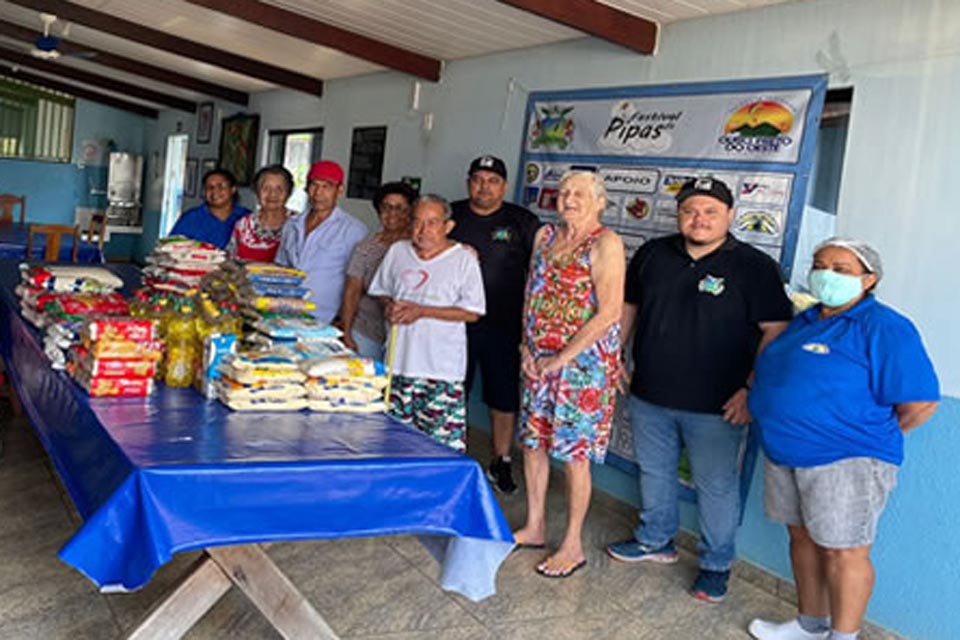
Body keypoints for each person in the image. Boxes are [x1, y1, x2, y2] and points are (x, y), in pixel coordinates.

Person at [605, 177, 793, 603]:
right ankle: (655, 540)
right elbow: (629, 306)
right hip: (650, 391)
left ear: (729, 215)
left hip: (719, 404)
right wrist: (613, 356)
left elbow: (775, 329)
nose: (699, 219)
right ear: (679, 214)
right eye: (690, 210)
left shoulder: (753, 265)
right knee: (654, 472)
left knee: (716, 486)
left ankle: (715, 564)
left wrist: (750, 389)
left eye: (710, 211)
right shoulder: (654, 253)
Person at [746, 238, 939, 640]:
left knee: (844, 549)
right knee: (800, 536)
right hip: (785, 451)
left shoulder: (885, 327)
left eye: (841, 268)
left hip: (846, 459)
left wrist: (859, 437)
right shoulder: (805, 320)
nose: (826, 274)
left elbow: (919, 404)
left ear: (868, 280)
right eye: (820, 265)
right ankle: (809, 625)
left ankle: (844, 635)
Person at [512, 170, 624, 579]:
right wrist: (527, 347)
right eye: (563, 192)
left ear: (599, 201)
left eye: (579, 193)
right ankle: (535, 524)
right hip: (538, 361)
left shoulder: (606, 243)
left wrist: (561, 358)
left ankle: (573, 543)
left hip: (582, 369)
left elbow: (610, 312)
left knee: (575, 455)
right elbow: (531, 295)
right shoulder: (544, 237)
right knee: (532, 443)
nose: (569, 199)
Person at [450, 155, 541, 494]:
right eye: (477, 179)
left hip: (504, 326)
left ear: (503, 185)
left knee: (502, 398)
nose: (484, 186)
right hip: (455, 324)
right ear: (468, 182)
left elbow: (539, 273)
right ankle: (451, 453)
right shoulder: (451, 215)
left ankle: (500, 460)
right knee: (452, 389)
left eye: (492, 180)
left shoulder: (522, 221)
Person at [368, 195, 485, 452]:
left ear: (448, 226)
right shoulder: (398, 251)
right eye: (418, 222)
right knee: (393, 444)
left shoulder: (463, 259)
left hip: (440, 372)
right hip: (397, 366)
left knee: (441, 449)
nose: (423, 230)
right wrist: (389, 305)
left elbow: (473, 311)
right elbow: (381, 290)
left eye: (432, 223)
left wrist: (422, 311)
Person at [275, 160, 367, 322]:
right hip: (285, 313)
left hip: (325, 318)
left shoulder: (354, 230)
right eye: (314, 185)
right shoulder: (292, 224)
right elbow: (281, 267)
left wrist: (345, 321)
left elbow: (356, 284)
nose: (318, 193)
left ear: (340, 190)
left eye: (327, 187)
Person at [336, 182, 416, 359]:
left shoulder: (419, 248)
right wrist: (347, 332)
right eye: (386, 207)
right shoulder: (366, 248)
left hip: (407, 337)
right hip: (367, 332)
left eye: (400, 208)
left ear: (410, 212)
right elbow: (352, 292)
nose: (392, 214)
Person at [227, 165, 296, 262]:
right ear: (257, 191)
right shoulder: (243, 225)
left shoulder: (299, 224)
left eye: (279, 189)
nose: (272, 194)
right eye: (266, 189)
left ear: (289, 193)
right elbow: (231, 261)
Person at [169, 168, 249, 249]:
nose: (215, 191)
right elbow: (171, 247)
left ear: (233, 189)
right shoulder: (191, 218)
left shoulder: (247, 218)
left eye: (221, 186)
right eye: (209, 187)